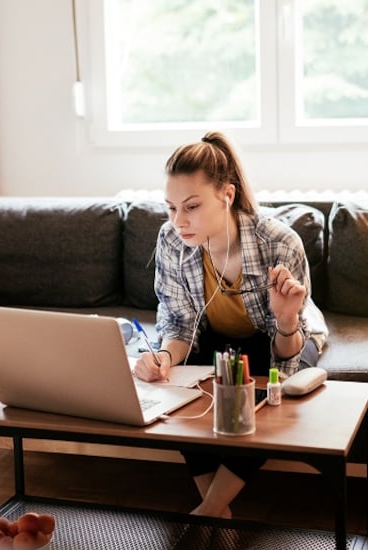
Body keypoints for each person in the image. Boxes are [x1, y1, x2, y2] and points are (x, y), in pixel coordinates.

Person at [132, 131, 328, 518]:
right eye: (171, 208)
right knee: (179, 388)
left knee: (274, 396)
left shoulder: (279, 243)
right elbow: (179, 324)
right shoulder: (171, 241)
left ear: (227, 195)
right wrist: (164, 359)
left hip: (284, 336)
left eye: (191, 206)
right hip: (216, 340)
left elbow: (285, 357)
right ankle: (215, 509)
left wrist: (286, 317)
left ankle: (209, 510)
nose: (179, 221)